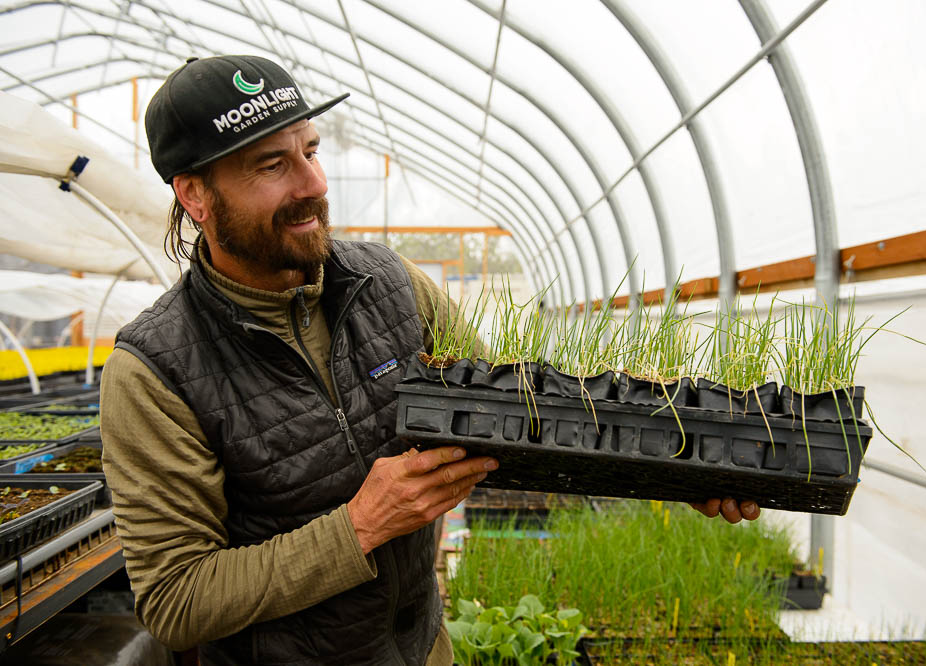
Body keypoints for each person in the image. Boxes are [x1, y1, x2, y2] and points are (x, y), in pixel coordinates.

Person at [101, 54, 759, 666]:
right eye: (272, 166)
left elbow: (516, 420)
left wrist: (675, 471)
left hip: (419, 650)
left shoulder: (387, 284)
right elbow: (174, 599)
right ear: (195, 197)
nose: (314, 184)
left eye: (311, 151)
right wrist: (358, 527)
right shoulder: (155, 369)